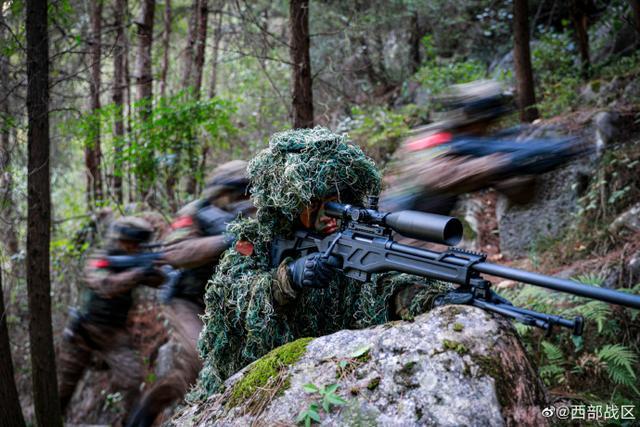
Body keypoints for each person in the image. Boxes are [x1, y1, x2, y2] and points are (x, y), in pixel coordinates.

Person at [192, 127, 451, 399]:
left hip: (327, 382)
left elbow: (384, 286)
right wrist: (289, 277)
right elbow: (234, 300)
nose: (330, 215)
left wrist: (424, 300)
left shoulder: (352, 243)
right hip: (247, 387)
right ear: (289, 206)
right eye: (316, 204)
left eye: (337, 201)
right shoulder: (258, 241)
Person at [126, 160, 255, 427]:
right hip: (187, 301)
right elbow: (176, 253)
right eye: (238, 193)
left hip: (231, 303)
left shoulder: (256, 212)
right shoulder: (195, 213)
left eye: (248, 192)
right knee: (202, 361)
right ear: (220, 193)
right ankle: (150, 414)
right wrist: (227, 240)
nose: (244, 200)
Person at [381, 80, 583, 215]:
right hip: (390, 229)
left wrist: (525, 167)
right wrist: (501, 162)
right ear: (468, 118)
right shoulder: (431, 139)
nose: (486, 128)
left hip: (422, 236)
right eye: (485, 122)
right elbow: (435, 177)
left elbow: (523, 197)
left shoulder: (479, 146)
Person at [58, 216, 166, 416]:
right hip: (83, 332)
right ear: (119, 239)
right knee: (62, 390)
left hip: (113, 336)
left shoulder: (135, 262)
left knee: (134, 381)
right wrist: (137, 272)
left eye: (137, 245)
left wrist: (151, 267)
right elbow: (105, 286)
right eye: (130, 243)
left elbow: (160, 280)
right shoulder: (101, 259)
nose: (133, 248)